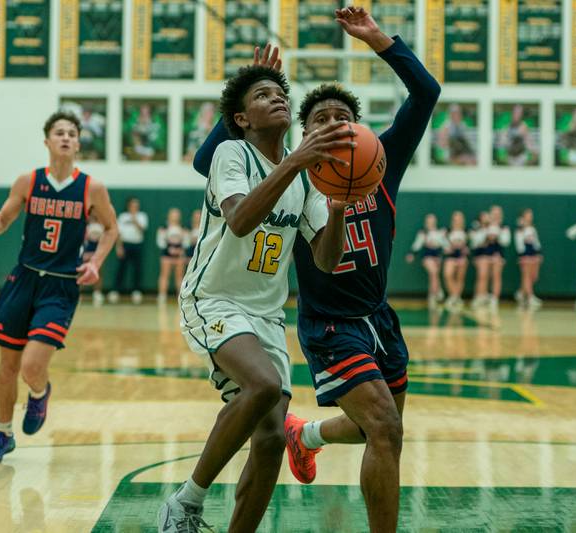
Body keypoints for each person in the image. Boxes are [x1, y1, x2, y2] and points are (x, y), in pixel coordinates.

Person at [191, 7, 440, 531]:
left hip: (379, 316)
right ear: (303, 137)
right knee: (386, 429)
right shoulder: (298, 177)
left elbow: (426, 95)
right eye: (319, 120)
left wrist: (379, 39)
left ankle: (303, 437)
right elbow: (208, 163)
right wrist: (241, 104)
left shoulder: (382, 163)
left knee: (378, 428)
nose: (331, 125)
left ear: (361, 131)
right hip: (328, 322)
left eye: (341, 118)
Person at [157, 63, 353, 532]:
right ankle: (185, 503)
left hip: (266, 316)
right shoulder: (233, 154)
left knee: (268, 439)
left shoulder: (308, 178)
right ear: (243, 118)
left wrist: (342, 202)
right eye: (263, 96)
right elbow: (241, 219)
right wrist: (294, 161)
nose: (278, 99)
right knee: (263, 386)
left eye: (280, 94)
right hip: (214, 299)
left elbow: (326, 260)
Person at [0, 111, 117, 464]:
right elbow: (3, 221)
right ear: (47, 142)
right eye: (59, 132)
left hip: (61, 286)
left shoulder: (92, 188)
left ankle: (40, 392)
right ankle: (3, 434)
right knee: (7, 365)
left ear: (78, 144)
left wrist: (95, 262)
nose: (66, 137)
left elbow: (111, 229)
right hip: (22, 279)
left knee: (32, 366)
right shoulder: (27, 182)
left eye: (71, 133)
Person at [109, 197, 148, 305]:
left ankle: (136, 291)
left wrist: (135, 219)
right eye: (133, 204)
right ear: (129, 205)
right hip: (125, 245)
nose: (135, 206)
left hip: (137, 245)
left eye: (136, 204)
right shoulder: (123, 216)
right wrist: (119, 247)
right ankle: (115, 291)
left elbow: (143, 229)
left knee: (137, 269)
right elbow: (118, 233)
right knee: (121, 269)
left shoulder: (142, 216)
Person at [406, 213, 446, 308]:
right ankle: (434, 296)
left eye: (432, 221)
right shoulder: (423, 233)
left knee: (434, 276)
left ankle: (435, 292)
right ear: (426, 223)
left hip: (437, 258)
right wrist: (411, 254)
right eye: (428, 221)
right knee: (433, 272)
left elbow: (445, 246)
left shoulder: (440, 232)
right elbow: (417, 245)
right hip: (427, 257)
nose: (430, 223)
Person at [156, 208, 189, 304]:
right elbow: (160, 242)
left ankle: (180, 296)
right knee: (164, 275)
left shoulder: (183, 228)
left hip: (179, 256)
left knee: (179, 276)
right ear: (169, 216)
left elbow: (186, 242)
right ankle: (162, 296)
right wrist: (169, 249)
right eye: (173, 214)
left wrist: (179, 250)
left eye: (177, 215)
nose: (175, 216)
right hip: (166, 255)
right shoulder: (163, 228)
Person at [514, 208, 542, 309]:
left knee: (534, 276)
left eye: (531, 215)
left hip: (534, 254)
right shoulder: (520, 229)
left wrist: (539, 253)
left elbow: (536, 242)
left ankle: (521, 292)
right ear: (523, 217)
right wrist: (522, 255)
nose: (530, 217)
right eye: (528, 215)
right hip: (525, 255)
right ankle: (530, 297)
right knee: (526, 276)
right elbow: (519, 244)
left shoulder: (532, 228)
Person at [442, 211, 469, 310]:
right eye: (455, 219)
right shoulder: (447, 231)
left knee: (460, 277)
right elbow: (444, 246)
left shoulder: (466, 232)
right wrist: (450, 247)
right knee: (448, 274)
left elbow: (470, 246)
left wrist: (464, 248)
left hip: (461, 257)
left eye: (460, 219)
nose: (457, 221)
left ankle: (456, 298)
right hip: (451, 256)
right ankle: (454, 296)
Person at [487, 205, 511, 309]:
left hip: (498, 255)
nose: (496, 216)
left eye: (498, 214)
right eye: (494, 214)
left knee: (496, 275)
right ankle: (482, 296)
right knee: (484, 275)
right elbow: (477, 241)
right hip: (485, 254)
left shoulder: (504, 227)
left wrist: (498, 233)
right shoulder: (485, 226)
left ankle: (494, 298)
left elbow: (505, 242)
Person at [470, 211, 493, 308]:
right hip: (479, 255)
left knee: (486, 275)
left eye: (488, 216)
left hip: (489, 256)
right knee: (482, 275)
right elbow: (474, 243)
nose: (486, 218)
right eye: (484, 217)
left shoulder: (491, 229)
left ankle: (483, 295)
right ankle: (478, 296)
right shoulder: (476, 229)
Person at [82, 213, 106, 306]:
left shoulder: (100, 227)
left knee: (98, 272)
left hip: (97, 253)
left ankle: (97, 293)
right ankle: (78, 293)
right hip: (85, 252)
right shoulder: (85, 226)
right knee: (82, 272)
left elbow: (103, 241)